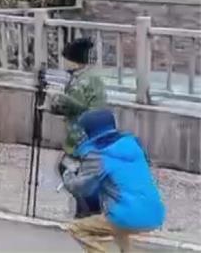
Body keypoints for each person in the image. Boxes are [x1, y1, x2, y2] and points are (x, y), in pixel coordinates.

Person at [62, 109, 165, 253]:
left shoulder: (98, 155)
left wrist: (68, 174)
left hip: (126, 215)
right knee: (119, 230)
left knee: (77, 228)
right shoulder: (133, 145)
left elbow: (82, 189)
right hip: (155, 213)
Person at [50, 37, 107, 217]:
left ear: (73, 60)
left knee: (69, 169)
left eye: (65, 58)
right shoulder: (90, 76)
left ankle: (88, 213)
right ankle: (89, 211)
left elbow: (75, 105)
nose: (63, 62)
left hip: (82, 136)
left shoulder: (81, 82)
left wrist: (56, 98)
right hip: (95, 133)